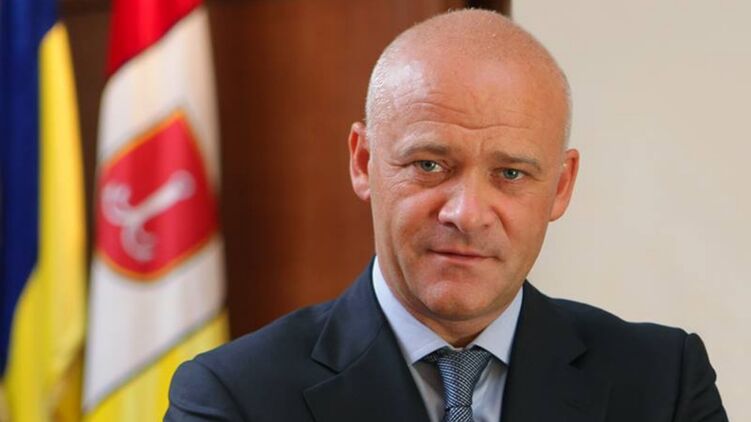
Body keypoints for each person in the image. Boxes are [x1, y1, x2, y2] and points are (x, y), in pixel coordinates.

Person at [165, 9, 727, 422]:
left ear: (561, 186)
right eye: (430, 165)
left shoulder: (665, 384)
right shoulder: (232, 397)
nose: (467, 213)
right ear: (363, 162)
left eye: (511, 174)